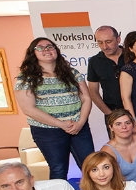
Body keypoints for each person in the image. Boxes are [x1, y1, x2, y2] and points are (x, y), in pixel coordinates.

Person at [14, 37, 95, 180]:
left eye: (49, 46)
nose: (46, 49)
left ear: (56, 50)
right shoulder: (26, 78)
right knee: (58, 168)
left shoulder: (72, 72)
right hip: (47, 131)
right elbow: (28, 109)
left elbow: (86, 99)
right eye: (40, 48)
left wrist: (80, 123)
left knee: (91, 165)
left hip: (78, 127)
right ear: (33, 53)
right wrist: (61, 124)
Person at [101, 109, 136, 189]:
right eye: (118, 124)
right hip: (123, 189)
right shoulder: (107, 151)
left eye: (127, 123)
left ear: (133, 124)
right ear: (111, 127)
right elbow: (110, 180)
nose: (124, 127)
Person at [87, 26, 125, 128]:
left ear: (118, 39)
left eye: (108, 42)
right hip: (113, 113)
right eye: (100, 42)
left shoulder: (131, 56)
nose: (104, 47)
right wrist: (110, 114)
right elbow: (93, 91)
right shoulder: (94, 62)